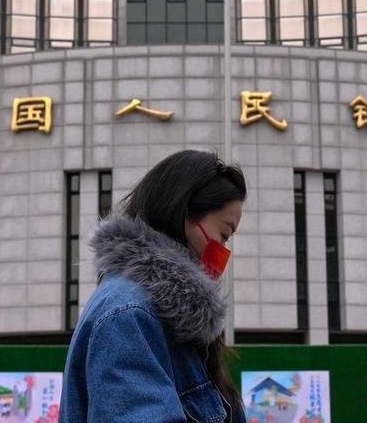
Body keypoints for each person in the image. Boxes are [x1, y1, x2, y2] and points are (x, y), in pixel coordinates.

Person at [59, 150, 247, 423]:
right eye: (223, 235)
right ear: (184, 216)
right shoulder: (128, 313)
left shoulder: (161, 314)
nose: (222, 252)